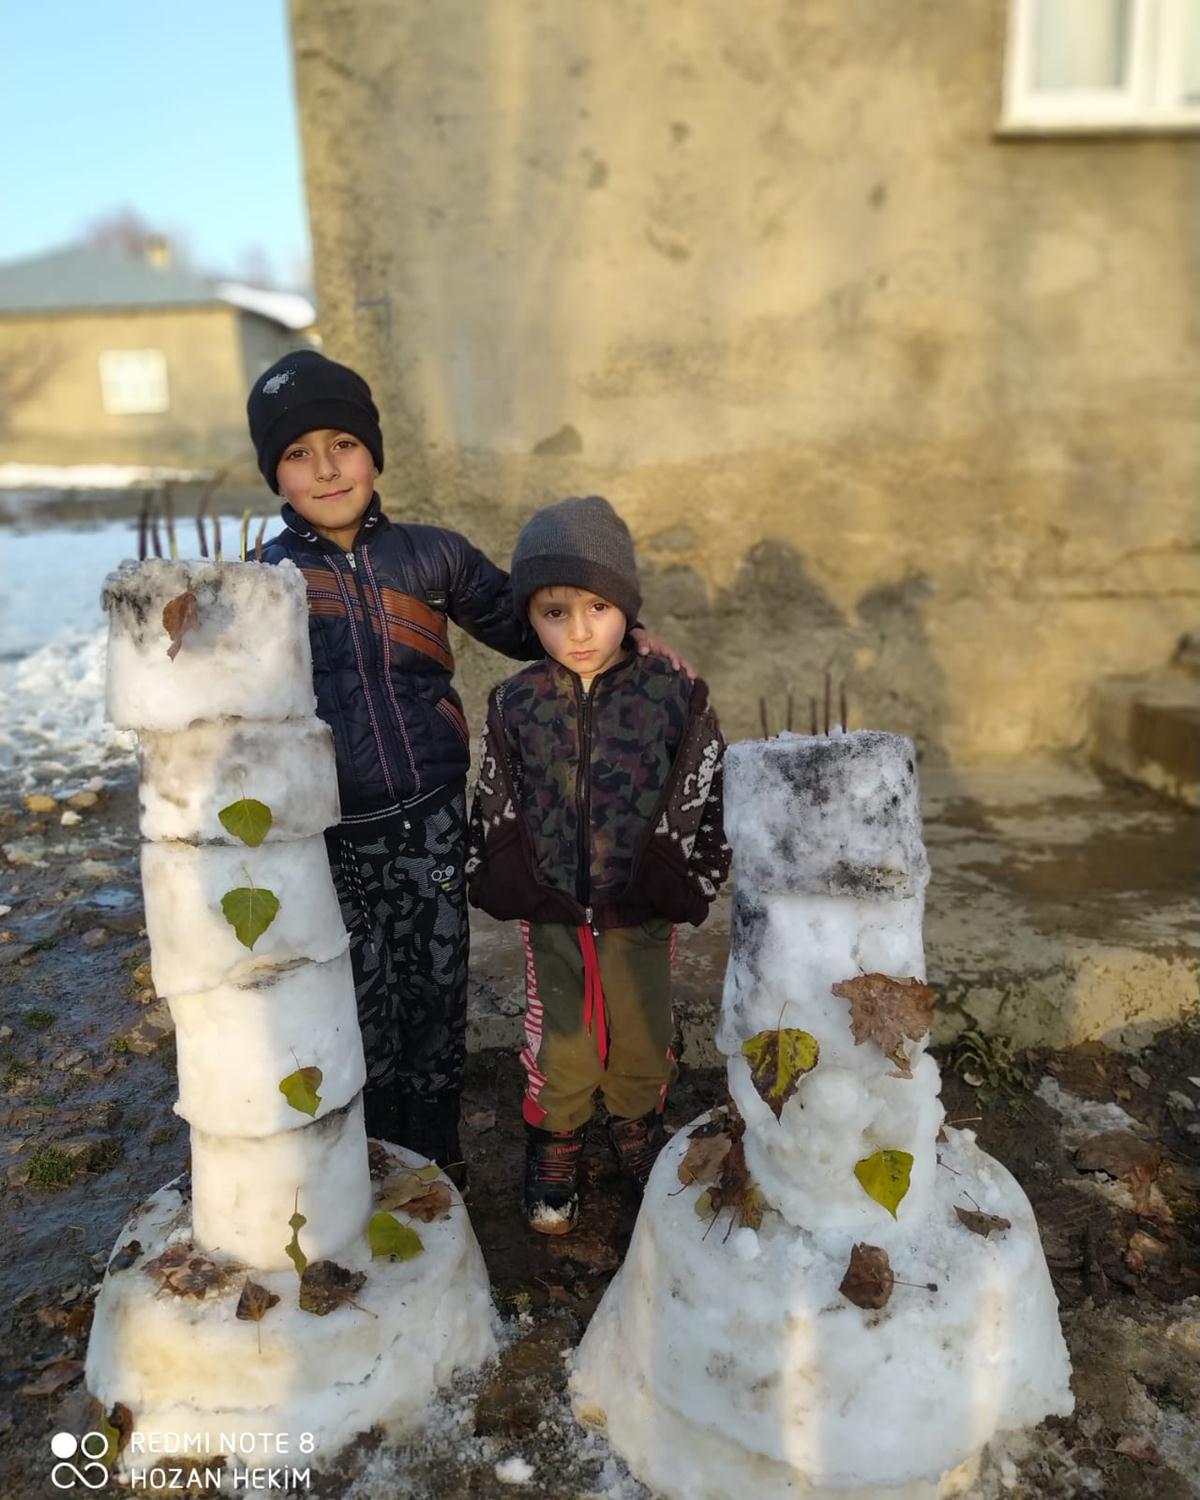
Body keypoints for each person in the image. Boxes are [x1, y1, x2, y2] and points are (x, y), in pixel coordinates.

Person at [246, 351, 685, 1172]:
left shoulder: (433, 557)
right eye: (298, 453)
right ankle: (373, 1163)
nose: (327, 468)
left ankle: (436, 1164)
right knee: (356, 1001)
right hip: (332, 832)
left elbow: (533, 625)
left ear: (374, 452)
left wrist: (620, 626)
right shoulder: (268, 582)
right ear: (275, 472)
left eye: (342, 442)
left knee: (436, 993)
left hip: (431, 821)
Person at [466, 495, 730, 1233]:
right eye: (554, 613)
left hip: (638, 900)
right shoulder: (516, 701)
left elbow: (706, 782)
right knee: (564, 1033)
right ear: (531, 617)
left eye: (597, 608)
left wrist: (688, 874)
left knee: (641, 1025)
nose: (579, 631)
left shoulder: (672, 693)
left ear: (628, 607)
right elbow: (496, 791)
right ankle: (556, 1135)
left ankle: (638, 1123)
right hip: (553, 903)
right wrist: (505, 869)